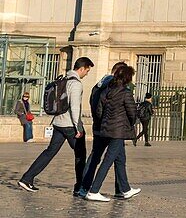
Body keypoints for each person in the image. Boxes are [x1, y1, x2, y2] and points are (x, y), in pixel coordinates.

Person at [18, 56, 94, 194]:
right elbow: (75, 107)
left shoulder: (63, 79)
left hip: (58, 123)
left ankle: (26, 178)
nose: (86, 74)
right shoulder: (76, 84)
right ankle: (80, 187)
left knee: (49, 152)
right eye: (87, 71)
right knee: (80, 155)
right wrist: (78, 127)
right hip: (70, 125)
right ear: (82, 68)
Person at [83, 64, 140, 202]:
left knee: (120, 160)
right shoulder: (125, 93)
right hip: (118, 131)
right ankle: (94, 190)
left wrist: (105, 122)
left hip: (106, 129)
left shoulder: (106, 92)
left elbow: (99, 111)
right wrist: (130, 123)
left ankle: (125, 189)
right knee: (107, 161)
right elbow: (132, 113)